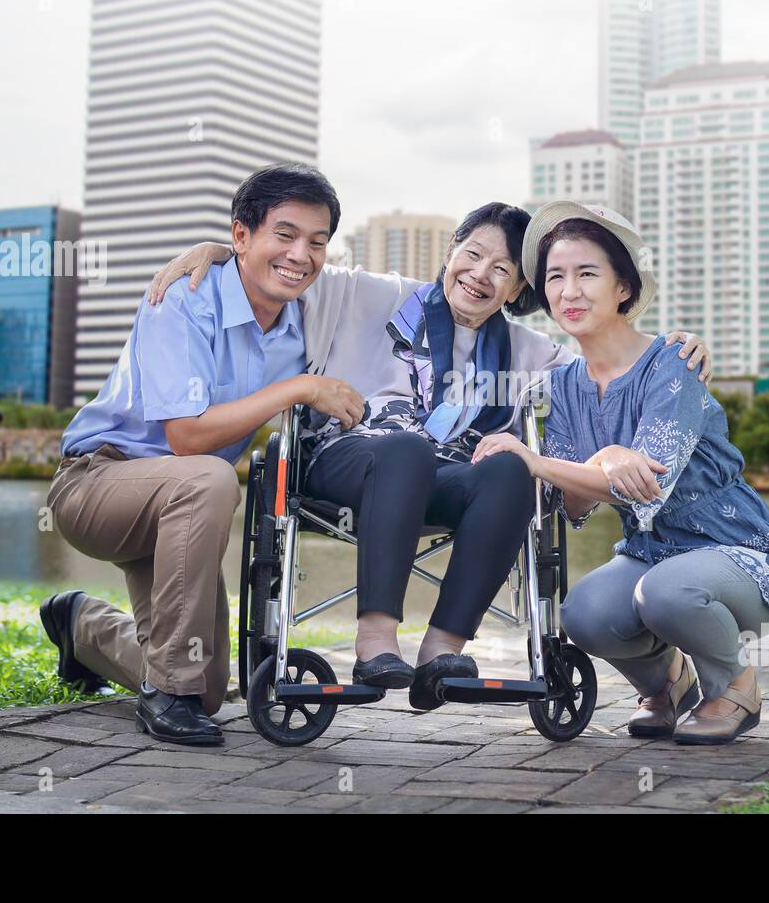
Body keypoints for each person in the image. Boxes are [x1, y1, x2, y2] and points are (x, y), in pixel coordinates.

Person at [150, 204, 713, 711]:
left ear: (517, 289)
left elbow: (610, 353)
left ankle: (443, 650)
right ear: (451, 251)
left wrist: (675, 345)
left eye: (503, 270)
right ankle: (376, 639)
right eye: (472, 255)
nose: (480, 275)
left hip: (445, 476)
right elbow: (290, 265)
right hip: (347, 459)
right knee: (407, 447)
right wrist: (222, 251)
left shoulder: (528, 352)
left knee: (511, 467)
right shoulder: (371, 295)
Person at [44, 163, 364, 745]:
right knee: (211, 479)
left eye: (317, 243)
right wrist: (297, 389)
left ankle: (80, 625)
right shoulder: (184, 297)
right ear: (242, 236)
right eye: (284, 235)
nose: (301, 255)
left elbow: (406, 298)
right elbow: (186, 438)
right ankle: (166, 695)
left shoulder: (308, 321)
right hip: (98, 483)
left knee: (208, 687)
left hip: (179, 509)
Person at [471, 201, 769, 745]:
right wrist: (581, 467)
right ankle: (667, 684)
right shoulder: (562, 385)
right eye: (556, 277)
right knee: (585, 614)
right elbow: (576, 502)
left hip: (738, 552)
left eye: (587, 274)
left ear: (623, 287)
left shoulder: (674, 362)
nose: (569, 291)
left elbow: (649, 484)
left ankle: (735, 687)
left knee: (666, 594)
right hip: (650, 554)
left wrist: (556, 460)